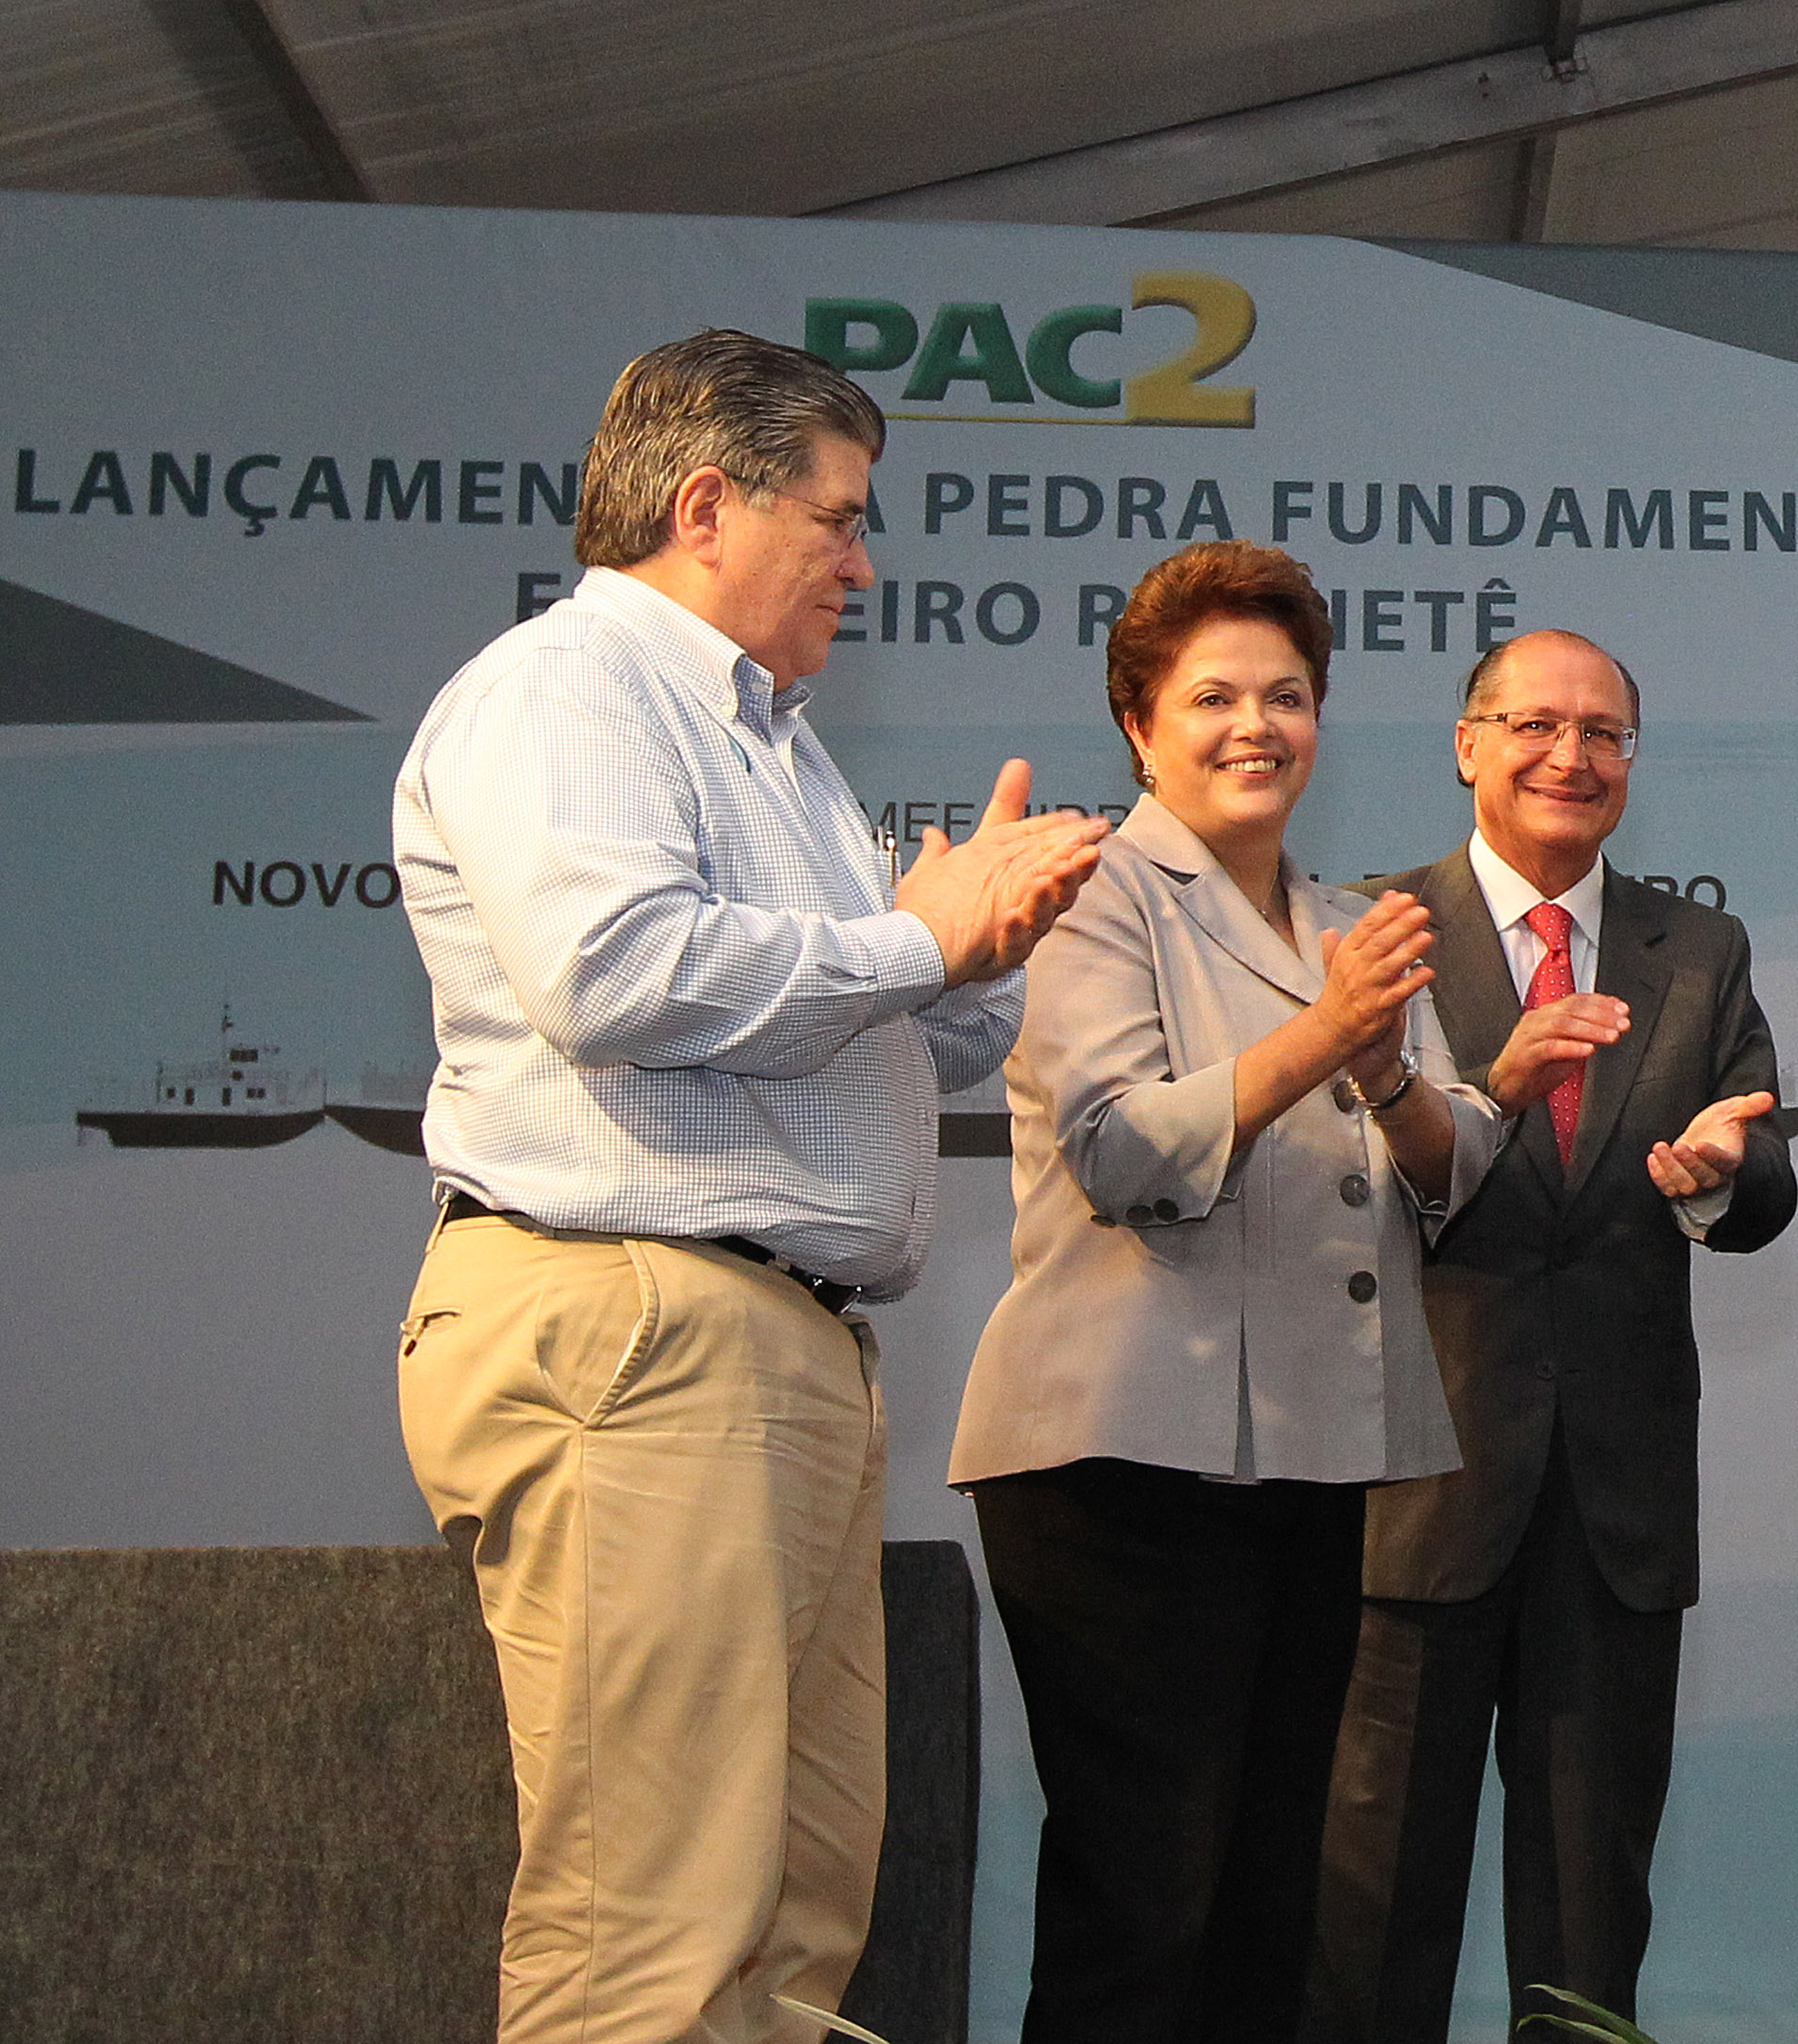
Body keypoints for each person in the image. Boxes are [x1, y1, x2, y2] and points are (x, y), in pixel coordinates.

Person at [390, 329, 1109, 2044]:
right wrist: (908, 935)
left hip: (760, 1355)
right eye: (840, 518)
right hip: (638, 1331)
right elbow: (614, 973)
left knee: (789, 1933)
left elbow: (860, 1036)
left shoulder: (777, 750)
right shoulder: (573, 690)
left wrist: (972, 958)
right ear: (703, 505)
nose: (866, 563)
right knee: (656, 1924)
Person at [946, 541, 1504, 2043]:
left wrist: (1389, 1072)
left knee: (1271, 1909)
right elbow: (1123, 1149)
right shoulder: (1089, 890)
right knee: (1145, 1905)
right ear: (1138, 723)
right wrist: (1328, 1036)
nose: (1256, 725)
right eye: (1212, 697)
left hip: (1307, 1460)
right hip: (1121, 1459)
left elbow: (1449, 1168)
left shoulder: (1345, 918)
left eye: (1288, 694)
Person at [1304, 629, 1793, 2043]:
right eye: (1534, 725)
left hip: (1615, 1506)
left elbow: (1760, 1169)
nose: (1569, 756)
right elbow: (1323, 1188)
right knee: (1369, 1914)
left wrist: (1719, 1179)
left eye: (1605, 733)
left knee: (1588, 1933)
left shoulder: (1695, 950)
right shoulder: (1368, 925)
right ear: (1467, 744)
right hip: (1408, 1488)